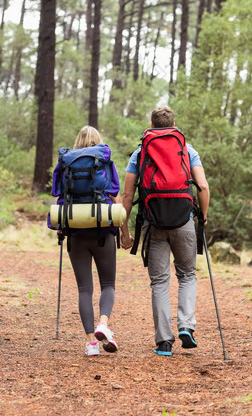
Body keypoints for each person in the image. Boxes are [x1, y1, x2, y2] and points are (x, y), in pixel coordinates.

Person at [120, 106, 210, 357]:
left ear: (152, 124)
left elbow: (127, 195)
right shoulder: (187, 149)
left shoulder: (141, 152)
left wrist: (124, 230)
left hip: (153, 221)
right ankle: (186, 327)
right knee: (187, 275)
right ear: (173, 124)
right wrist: (202, 216)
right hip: (183, 221)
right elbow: (202, 185)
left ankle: (164, 342)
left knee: (159, 281)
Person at [62, 125, 130, 356]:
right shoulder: (104, 162)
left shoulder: (67, 163)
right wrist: (124, 231)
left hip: (75, 231)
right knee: (108, 284)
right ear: (98, 141)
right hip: (103, 231)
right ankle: (103, 324)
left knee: (84, 289)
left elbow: (61, 197)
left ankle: (91, 343)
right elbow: (116, 197)